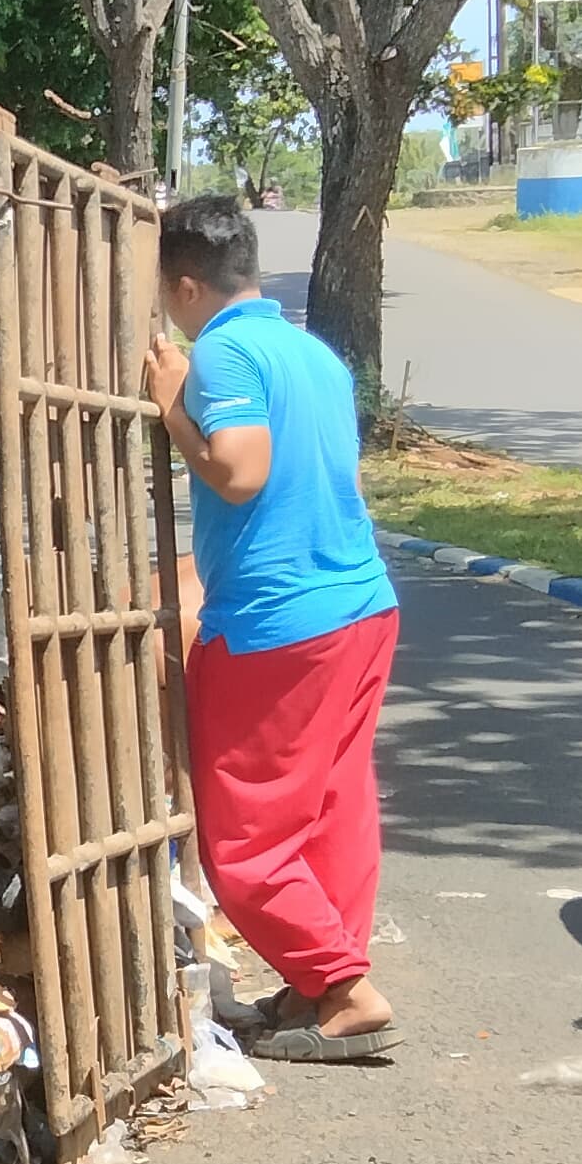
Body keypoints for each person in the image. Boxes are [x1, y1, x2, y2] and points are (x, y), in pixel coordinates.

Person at [141, 192, 402, 1060]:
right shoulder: (311, 352)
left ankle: (345, 988)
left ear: (184, 287)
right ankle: (317, 984)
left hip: (276, 624)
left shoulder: (222, 352)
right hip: (362, 606)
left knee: (244, 832)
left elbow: (241, 471)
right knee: (332, 807)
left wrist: (175, 404)